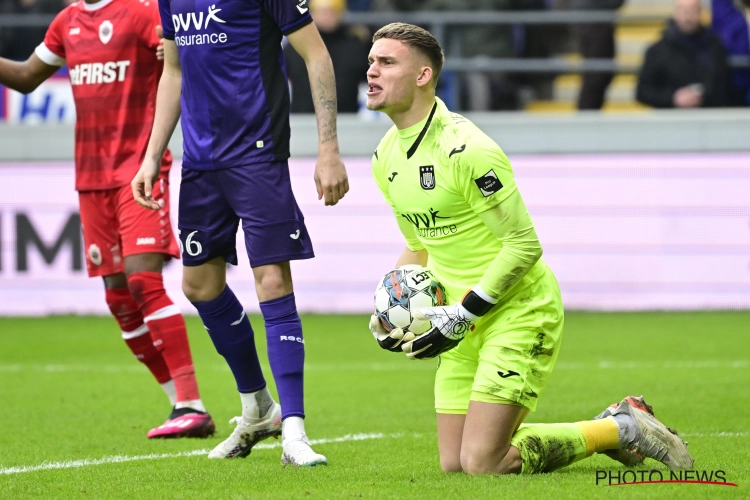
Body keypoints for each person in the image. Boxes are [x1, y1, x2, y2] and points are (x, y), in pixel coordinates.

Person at [365, 22, 694, 475]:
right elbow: (417, 244)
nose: (372, 72)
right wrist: (386, 301)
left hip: (517, 310)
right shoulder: (385, 157)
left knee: (483, 462)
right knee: (453, 465)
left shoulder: (467, 149)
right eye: (370, 62)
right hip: (459, 321)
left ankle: (620, 427)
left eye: (386, 62)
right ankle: (608, 425)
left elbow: (524, 245)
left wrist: (466, 312)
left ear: (422, 76)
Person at [132, 0, 349, 466]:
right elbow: (173, 72)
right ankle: (257, 406)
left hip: (258, 153)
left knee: (271, 278)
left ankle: (294, 430)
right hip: (200, 161)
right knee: (199, 285)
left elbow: (317, 55)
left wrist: (328, 147)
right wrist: (153, 155)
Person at [0, 0, 213, 439]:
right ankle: (181, 404)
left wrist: (174, 51)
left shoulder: (141, 12)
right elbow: (24, 78)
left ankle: (191, 402)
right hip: (91, 177)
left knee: (142, 280)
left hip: (140, 168)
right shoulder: (67, 22)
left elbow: (185, 57)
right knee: (117, 298)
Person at [636, 0, 731, 108]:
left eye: (692, 11)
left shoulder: (714, 47)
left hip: (706, 116)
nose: (688, 17)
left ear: (700, 12)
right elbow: (642, 92)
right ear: (676, 13)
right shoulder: (657, 50)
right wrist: (673, 97)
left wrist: (702, 96)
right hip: (669, 119)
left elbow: (723, 87)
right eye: (684, 10)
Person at [284, 0, 370, 114]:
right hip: (303, 119)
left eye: (331, 12)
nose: (326, 17)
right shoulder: (296, 45)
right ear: (312, 14)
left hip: (347, 120)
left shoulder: (355, 46)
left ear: (340, 14)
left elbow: (371, 77)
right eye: (322, 12)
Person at [570, 0, 626, 110]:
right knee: (596, 75)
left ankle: (588, 118)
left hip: (595, 19)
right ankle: (586, 120)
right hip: (593, 20)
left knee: (600, 74)